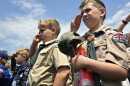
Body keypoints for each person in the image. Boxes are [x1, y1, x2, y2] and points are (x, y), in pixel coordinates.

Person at [70, 0, 129, 86]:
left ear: (102, 12)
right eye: (82, 13)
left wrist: (87, 62)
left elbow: (122, 72)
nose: (84, 15)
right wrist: (73, 32)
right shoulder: (81, 40)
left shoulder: (113, 35)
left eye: (88, 10)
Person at [28, 19, 72, 86]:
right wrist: (34, 43)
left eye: (42, 30)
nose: (38, 33)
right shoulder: (43, 48)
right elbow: (30, 57)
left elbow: (63, 71)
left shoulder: (56, 47)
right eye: (39, 31)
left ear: (53, 30)